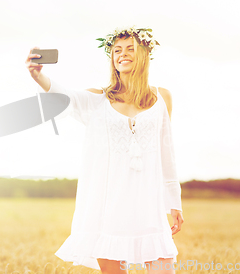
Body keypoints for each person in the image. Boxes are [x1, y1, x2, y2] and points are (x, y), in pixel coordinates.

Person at [25, 27, 184, 274]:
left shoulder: (163, 98)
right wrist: (39, 77)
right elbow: (64, 98)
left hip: (149, 206)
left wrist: (174, 202)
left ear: (145, 53)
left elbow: (167, 153)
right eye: (117, 50)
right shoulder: (98, 99)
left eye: (130, 48)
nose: (123, 54)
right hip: (109, 209)